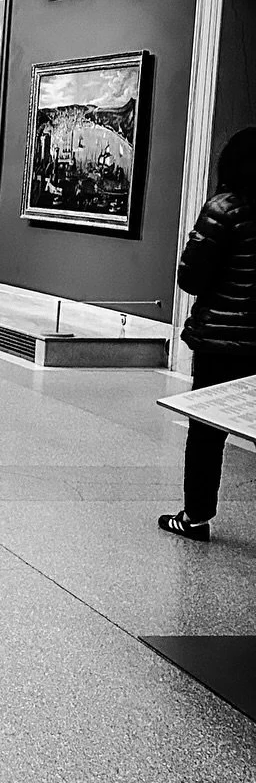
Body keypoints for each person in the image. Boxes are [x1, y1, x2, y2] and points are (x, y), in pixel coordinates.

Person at [159, 127, 256, 540]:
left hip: (221, 339)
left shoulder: (224, 208)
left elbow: (192, 276)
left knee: (206, 431)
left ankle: (196, 516)